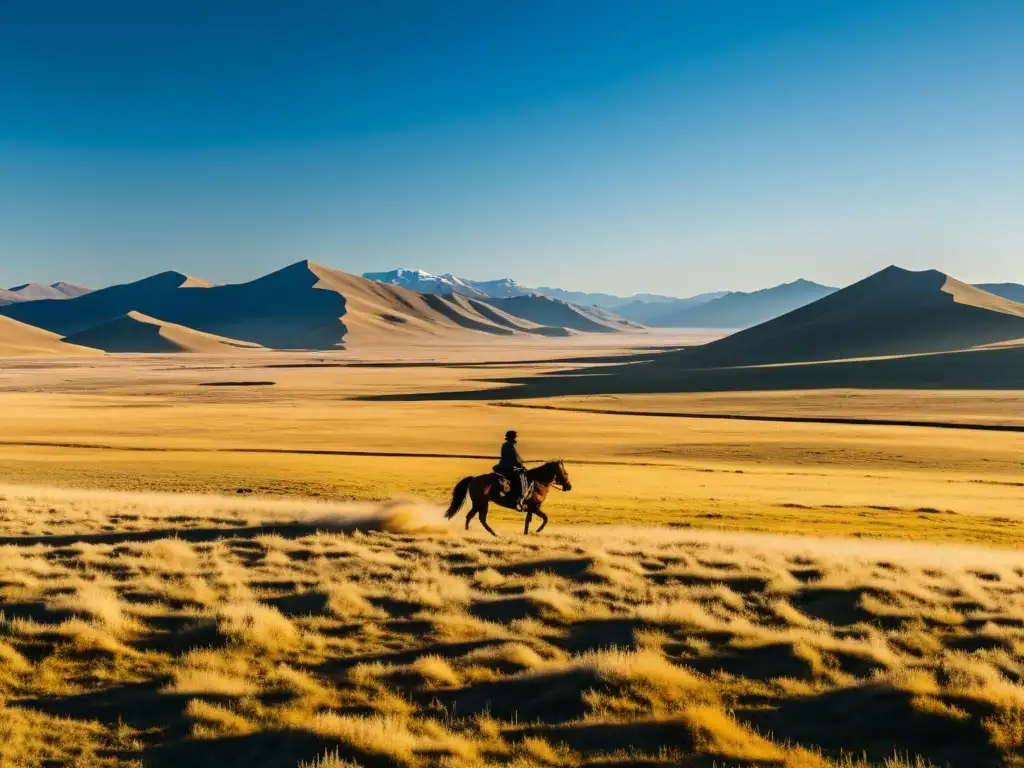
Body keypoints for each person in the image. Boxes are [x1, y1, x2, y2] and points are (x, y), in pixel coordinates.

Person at [495, 430, 529, 511]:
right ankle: (516, 496)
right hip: (508, 466)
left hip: (505, 465)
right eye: (514, 436)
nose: (515, 437)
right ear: (512, 437)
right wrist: (519, 466)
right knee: (519, 478)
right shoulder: (509, 445)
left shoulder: (508, 445)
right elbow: (513, 459)